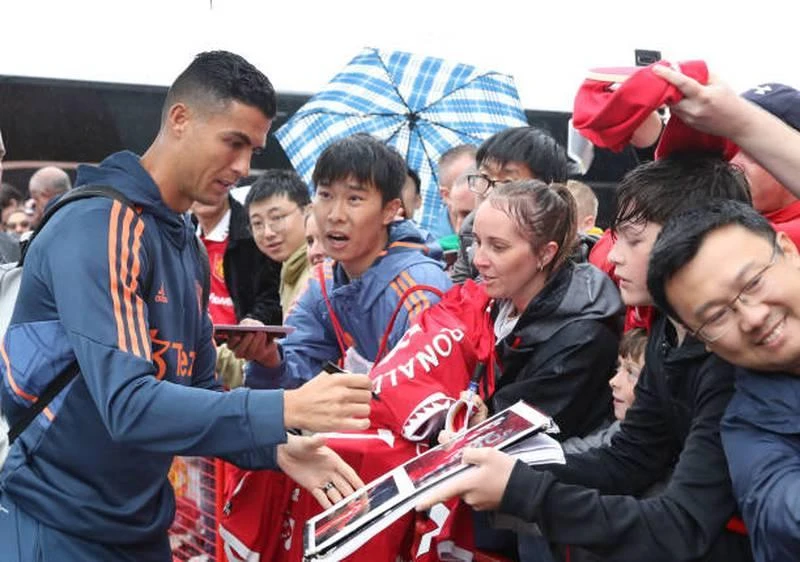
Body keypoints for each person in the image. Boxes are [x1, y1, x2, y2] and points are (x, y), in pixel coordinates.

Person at [0, 51, 373, 562]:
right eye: (233, 142)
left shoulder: (186, 245)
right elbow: (128, 406)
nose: (242, 168)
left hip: (141, 525)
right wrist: (283, 407)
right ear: (180, 119)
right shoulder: (102, 223)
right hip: (56, 524)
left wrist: (276, 447)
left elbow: (197, 391)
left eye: (253, 149)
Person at [419, 152, 755, 562]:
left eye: (633, 240)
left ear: (694, 244)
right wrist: (505, 471)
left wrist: (522, 488)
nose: (613, 256)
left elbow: (680, 526)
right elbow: (629, 457)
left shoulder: (730, 363)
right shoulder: (669, 334)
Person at [647, 199, 800, 562]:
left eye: (754, 282)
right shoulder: (750, 429)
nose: (753, 317)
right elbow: (783, 512)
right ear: (703, 341)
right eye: (717, 316)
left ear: (790, 251)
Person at [236, 133, 452, 390]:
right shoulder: (323, 282)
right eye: (325, 195)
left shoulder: (419, 291)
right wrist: (269, 357)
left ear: (390, 211)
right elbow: (299, 366)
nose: (335, 215)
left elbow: (430, 396)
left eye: (354, 199)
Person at [450, 127, 569, 284]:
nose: (489, 192)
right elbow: (458, 292)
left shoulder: (570, 253)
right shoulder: (470, 229)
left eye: (507, 182)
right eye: (484, 177)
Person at [191, 191, 282, 326]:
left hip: (238, 342)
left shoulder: (255, 234)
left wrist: (253, 322)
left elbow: (274, 298)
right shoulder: (180, 234)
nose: (202, 191)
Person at [245, 169, 312, 314]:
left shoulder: (318, 274)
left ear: (307, 212)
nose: (268, 233)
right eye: (257, 223)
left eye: (277, 218)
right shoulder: (290, 269)